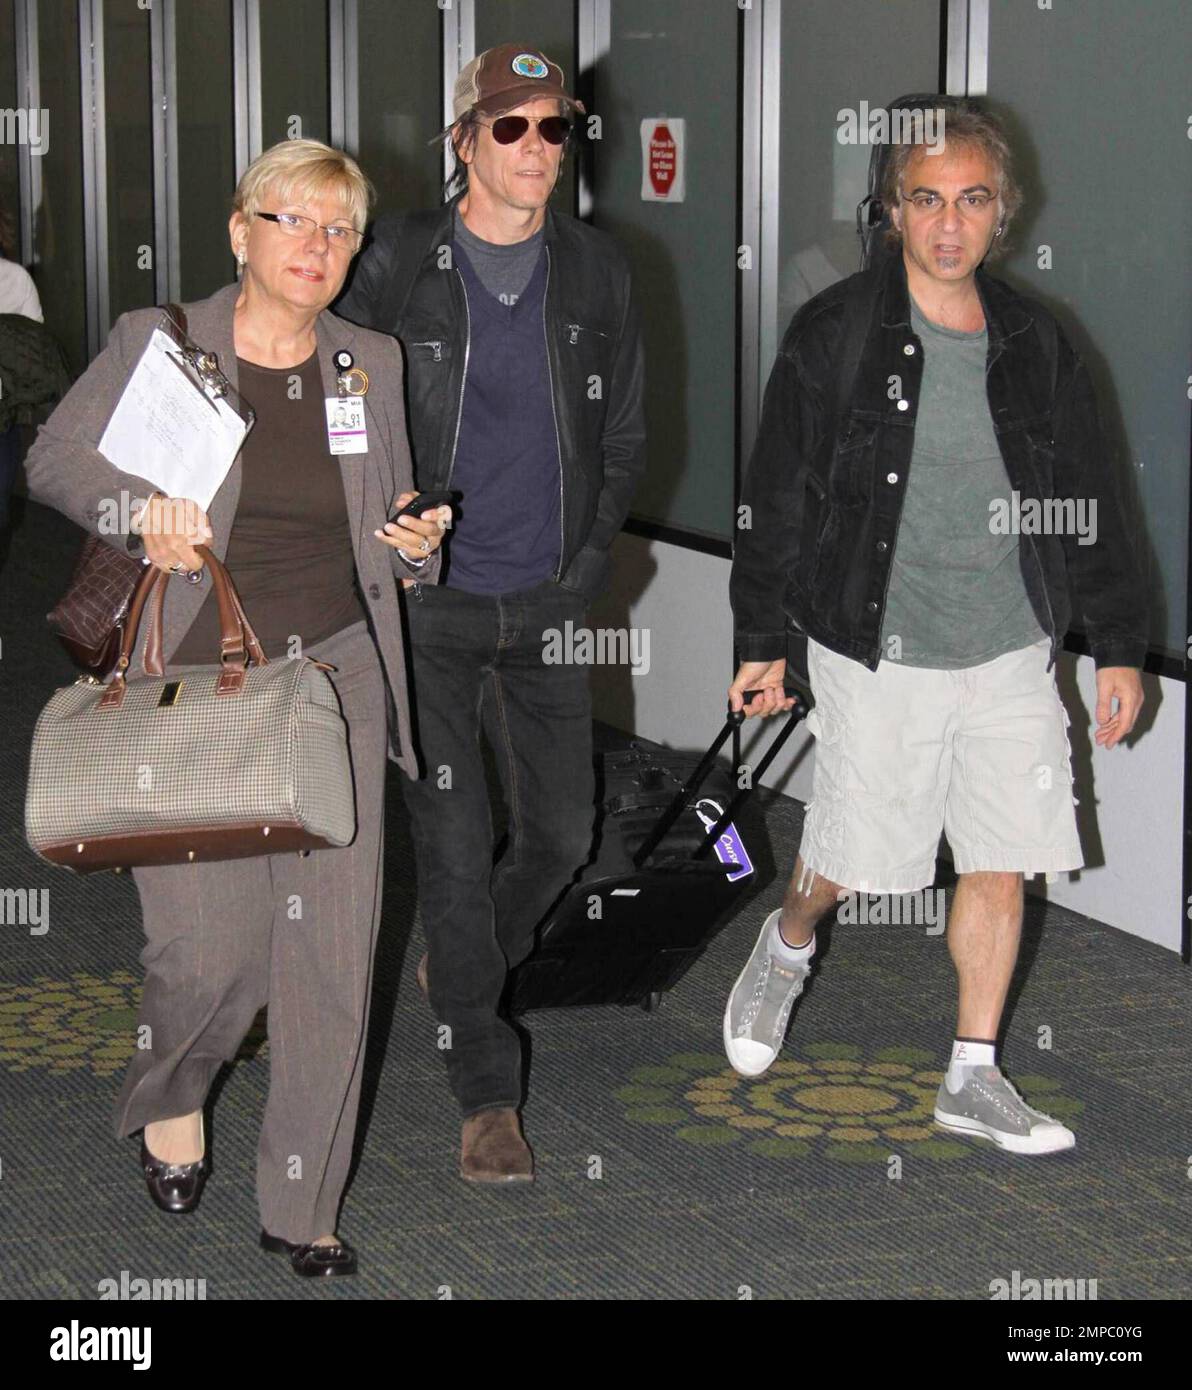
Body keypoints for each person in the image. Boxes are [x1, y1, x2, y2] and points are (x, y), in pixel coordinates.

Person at [24, 139, 449, 1275]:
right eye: (293, 221)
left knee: (329, 952)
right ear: (239, 230)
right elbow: (54, 458)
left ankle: (301, 1204)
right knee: (207, 955)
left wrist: (415, 544)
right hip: (192, 686)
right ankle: (174, 1092)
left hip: (335, 683)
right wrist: (136, 507)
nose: (316, 247)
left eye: (339, 229)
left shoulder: (369, 361)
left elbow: (390, 520)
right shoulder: (161, 341)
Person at [724, 99, 1148, 1154]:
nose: (949, 224)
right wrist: (761, 640)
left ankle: (971, 1074)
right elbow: (776, 494)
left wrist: (1120, 644)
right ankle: (787, 940)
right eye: (926, 200)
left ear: (1001, 212)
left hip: (1008, 642)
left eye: (970, 200)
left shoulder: (1037, 342)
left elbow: (1091, 496)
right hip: (881, 642)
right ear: (891, 210)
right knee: (861, 861)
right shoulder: (836, 336)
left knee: (1002, 854)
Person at [337, 44, 646, 1182]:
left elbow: (621, 440)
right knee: (456, 856)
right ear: (463, 140)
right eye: (509, 129)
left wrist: (584, 559)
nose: (536, 151)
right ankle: (484, 1087)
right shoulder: (397, 264)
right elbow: (339, 411)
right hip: (430, 612)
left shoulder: (600, 270)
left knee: (563, 836)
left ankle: (458, 969)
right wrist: (386, 529)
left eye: (555, 129)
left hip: (548, 605)